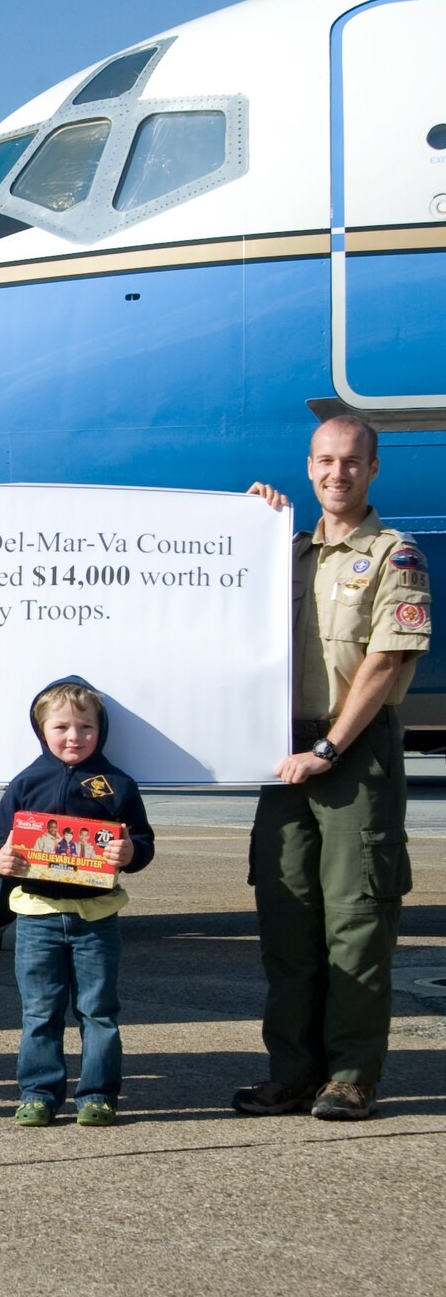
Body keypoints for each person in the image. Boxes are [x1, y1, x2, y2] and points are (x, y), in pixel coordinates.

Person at [237, 415, 430, 1121]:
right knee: (287, 920)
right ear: (309, 467)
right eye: (324, 461)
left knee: (356, 921)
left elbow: (387, 660)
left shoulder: (393, 555)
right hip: (283, 753)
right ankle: (292, 1073)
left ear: (373, 469)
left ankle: (350, 1076)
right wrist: (244, 526)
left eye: (351, 461)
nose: (336, 473)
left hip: (352, 753)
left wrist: (329, 750)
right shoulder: (282, 551)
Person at [0, 679, 155, 1127]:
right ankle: (38, 1094)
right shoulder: (25, 783)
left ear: (102, 730)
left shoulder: (117, 784)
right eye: (61, 727)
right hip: (36, 917)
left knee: (98, 1012)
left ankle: (98, 1094)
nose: (74, 736)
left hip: (97, 919)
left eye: (86, 727)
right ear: (41, 730)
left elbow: (142, 840)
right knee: (40, 1011)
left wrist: (130, 852)